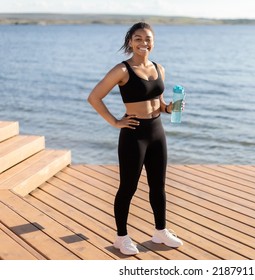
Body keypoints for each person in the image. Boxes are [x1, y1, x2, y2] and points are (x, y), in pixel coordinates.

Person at [87, 22, 183, 255]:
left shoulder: (159, 68)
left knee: (158, 185)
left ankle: (160, 231)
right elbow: (94, 97)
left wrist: (170, 108)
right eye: (138, 38)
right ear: (130, 41)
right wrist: (115, 121)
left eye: (148, 38)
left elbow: (158, 104)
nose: (143, 43)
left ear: (153, 41)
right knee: (127, 187)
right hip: (134, 133)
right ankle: (121, 237)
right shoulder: (122, 70)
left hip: (157, 131)